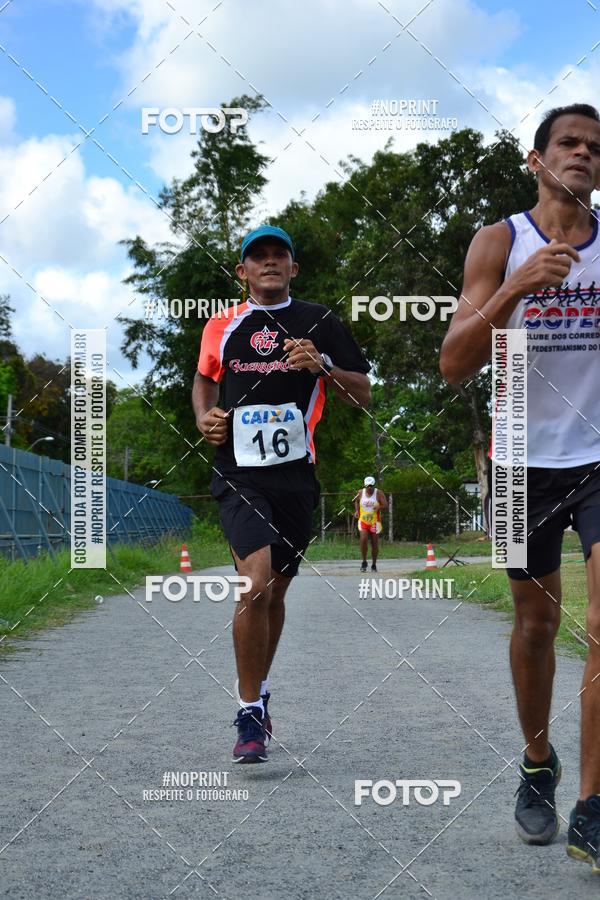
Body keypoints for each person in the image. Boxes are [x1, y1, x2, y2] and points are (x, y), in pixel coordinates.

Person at [440, 104, 600, 869]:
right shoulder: (499, 241)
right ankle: (539, 762)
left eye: (595, 148)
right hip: (518, 464)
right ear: (536, 160)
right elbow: (453, 361)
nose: (583, 155)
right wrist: (516, 290)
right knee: (535, 629)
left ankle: (593, 803)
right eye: (568, 143)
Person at [193, 225, 371, 763]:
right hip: (239, 475)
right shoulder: (222, 324)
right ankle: (249, 710)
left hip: (296, 479)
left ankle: (259, 693)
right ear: (242, 271)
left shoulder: (320, 321)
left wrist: (322, 366)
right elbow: (205, 377)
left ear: (294, 269)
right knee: (255, 585)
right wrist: (205, 416)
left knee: (276, 595)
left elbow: (362, 393)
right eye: (258, 257)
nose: (269, 263)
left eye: (280, 256)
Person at [354, 476, 388, 572]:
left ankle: (374, 564)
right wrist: (357, 511)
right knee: (363, 539)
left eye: (371, 486)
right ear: (365, 485)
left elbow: (385, 505)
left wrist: (379, 507)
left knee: (374, 543)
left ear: (374, 485)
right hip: (363, 520)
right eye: (368, 486)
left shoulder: (379, 493)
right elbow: (356, 501)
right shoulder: (360, 492)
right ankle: (364, 561)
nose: (370, 488)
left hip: (375, 522)